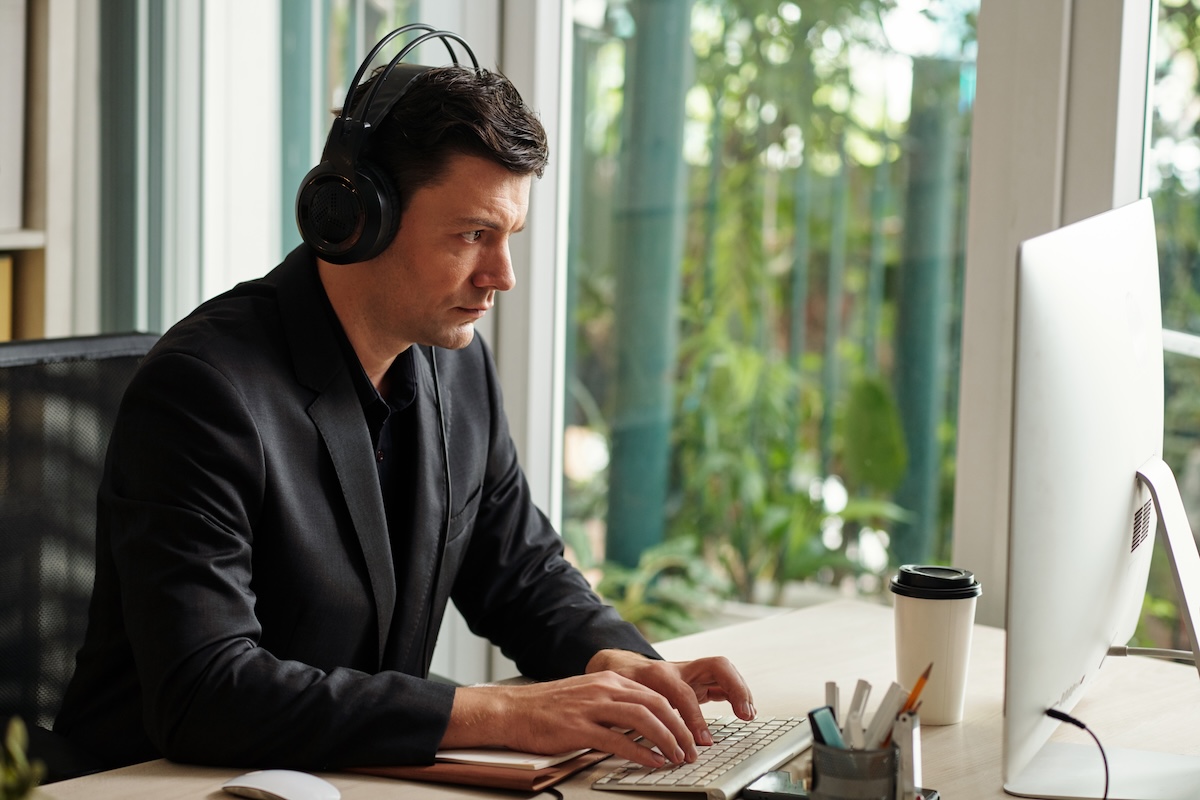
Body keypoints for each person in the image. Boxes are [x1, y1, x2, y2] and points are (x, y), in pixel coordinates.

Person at [53, 43, 754, 773]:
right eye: (472, 234)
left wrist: (618, 663)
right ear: (354, 216)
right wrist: (504, 712)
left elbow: (520, 568)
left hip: (350, 775)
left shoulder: (459, 366)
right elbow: (206, 692)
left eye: (509, 237)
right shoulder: (203, 392)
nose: (501, 277)